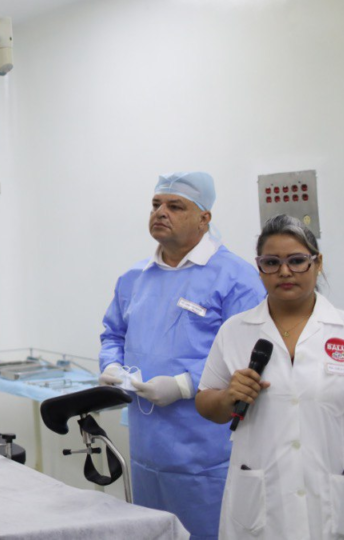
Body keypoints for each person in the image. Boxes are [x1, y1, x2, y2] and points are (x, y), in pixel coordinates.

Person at [98, 171, 266, 539]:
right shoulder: (134, 278)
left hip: (209, 454)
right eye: (157, 204)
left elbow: (251, 357)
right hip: (146, 450)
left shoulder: (236, 278)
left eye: (175, 206)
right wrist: (110, 364)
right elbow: (113, 333)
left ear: (205, 218)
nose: (161, 212)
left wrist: (184, 384)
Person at [197, 214, 344, 538]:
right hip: (260, 499)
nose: (284, 271)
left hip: (332, 491)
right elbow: (205, 402)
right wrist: (227, 398)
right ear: (259, 267)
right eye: (271, 262)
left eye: (297, 261)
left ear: (317, 263)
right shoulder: (235, 330)